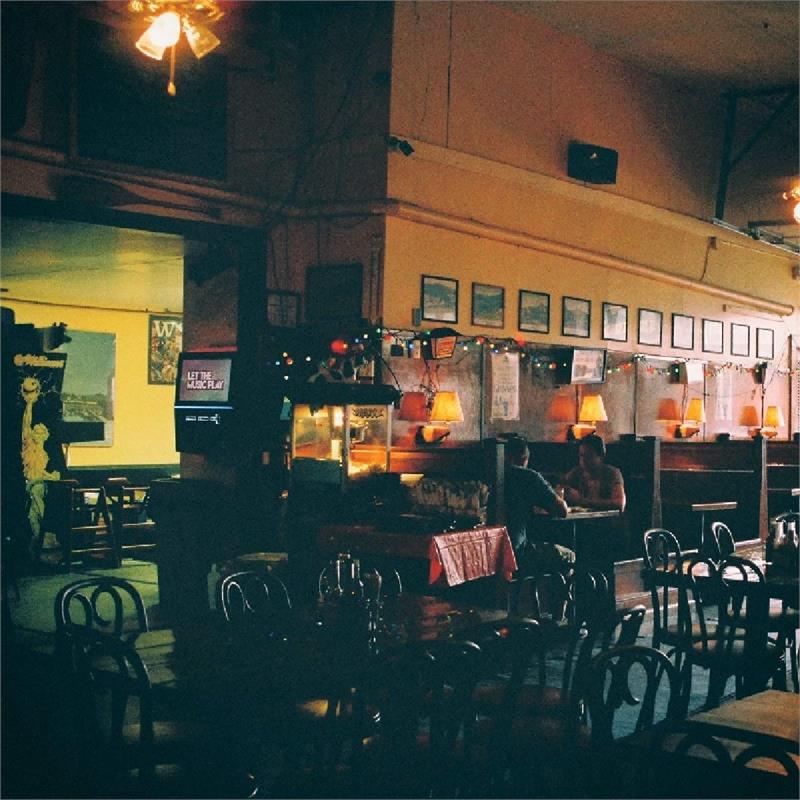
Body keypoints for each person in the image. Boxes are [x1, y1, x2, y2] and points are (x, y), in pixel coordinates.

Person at [504, 436, 574, 575]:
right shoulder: (527, 476)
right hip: (517, 552)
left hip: (490, 552)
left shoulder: (491, 473)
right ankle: (558, 590)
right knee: (569, 555)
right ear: (524, 459)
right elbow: (562, 510)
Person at [560, 434, 626, 512]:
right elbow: (560, 486)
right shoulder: (576, 473)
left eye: (589, 456)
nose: (583, 460)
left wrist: (582, 501)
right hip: (583, 518)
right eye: (581, 455)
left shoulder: (611, 473)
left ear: (601, 456)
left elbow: (619, 504)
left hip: (608, 518)